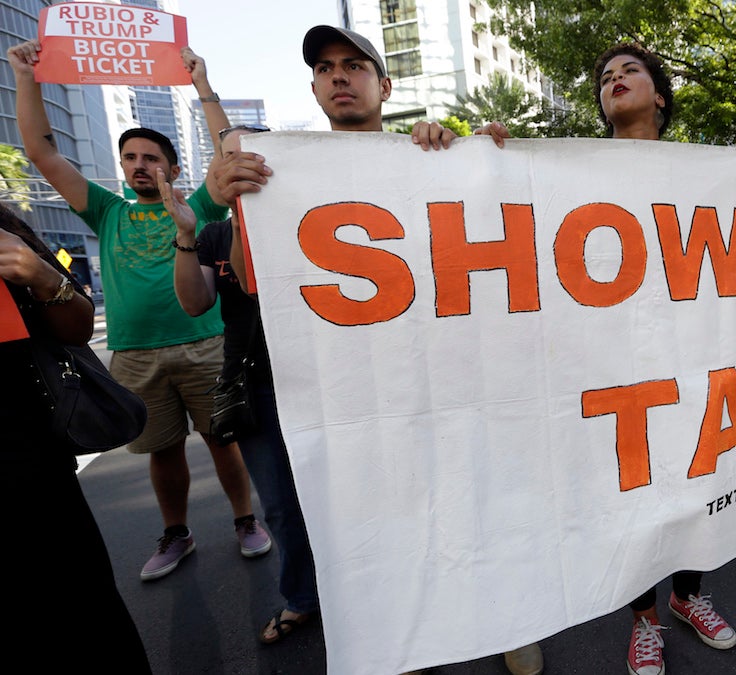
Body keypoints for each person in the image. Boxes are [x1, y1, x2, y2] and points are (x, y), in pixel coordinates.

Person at [209, 25, 542, 672]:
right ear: (313, 87)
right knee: (380, 517)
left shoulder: (428, 152)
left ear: (383, 86)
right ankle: (403, 638)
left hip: (441, 372)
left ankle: (505, 617)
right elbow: (252, 282)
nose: (339, 76)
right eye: (326, 67)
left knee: (473, 494)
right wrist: (238, 206)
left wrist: (476, 158)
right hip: (348, 387)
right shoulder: (275, 172)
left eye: (355, 65)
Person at [478, 43, 736, 675]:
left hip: (691, 359)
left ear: (659, 94)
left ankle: (689, 597)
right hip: (613, 367)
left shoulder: (710, 169)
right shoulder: (572, 170)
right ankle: (645, 620)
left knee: (695, 480)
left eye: (630, 71)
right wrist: (489, 161)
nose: (615, 80)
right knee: (633, 494)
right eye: (605, 76)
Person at [7, 41, 271, 581]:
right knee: (161, 450)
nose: (139, 165)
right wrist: (26, 77)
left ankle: (245, 519)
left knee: (225, 442)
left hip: (204, 345)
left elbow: (229, 158)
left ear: (172, 167)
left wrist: (201, 83)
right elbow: (41, 151)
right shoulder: (106, 211)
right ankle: (177, 532)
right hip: (133, 355)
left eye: (151, 158)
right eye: (130, 158)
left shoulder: (196, 205)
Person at [168, 115, 322, 645]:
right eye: (228, 157)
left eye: (252, 153)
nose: (242, 165)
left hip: (325, 379)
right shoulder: (213, 234)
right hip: (256, 385)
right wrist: (187, 236)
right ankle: (302, 597)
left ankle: (358, 588)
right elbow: (195, 303)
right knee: (279, 502)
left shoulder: (316, 218)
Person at [0, 203, 152, 671]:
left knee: (87, 625)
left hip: (34, 478)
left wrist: (42, 276)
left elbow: (77, 326)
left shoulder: (7, 231)